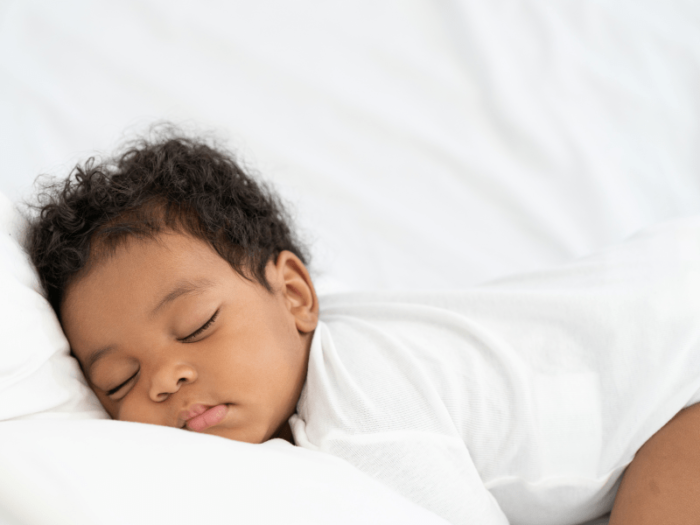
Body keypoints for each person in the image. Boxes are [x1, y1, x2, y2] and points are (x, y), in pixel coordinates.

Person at [25, 132, 700, 525]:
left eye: (196, 325)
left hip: (678, 385)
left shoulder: (360, 407)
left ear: (295, 295)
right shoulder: (300, 346)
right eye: (120, 380)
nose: (166, 377)